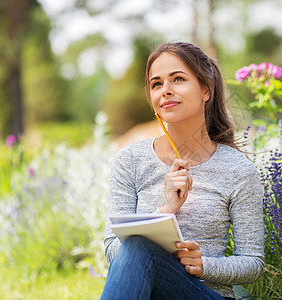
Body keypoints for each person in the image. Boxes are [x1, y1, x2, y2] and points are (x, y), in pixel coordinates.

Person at [100, 42, 264, 300]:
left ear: (205, 90)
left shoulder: (237, 169)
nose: (166, 90)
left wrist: (204, 265)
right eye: (156, 84)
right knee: (138, 245)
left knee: (140, 244)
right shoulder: (129, 160)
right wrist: (165, 211)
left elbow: (253, 263)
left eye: (178, 79)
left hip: (206, 295)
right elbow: (113, 251)